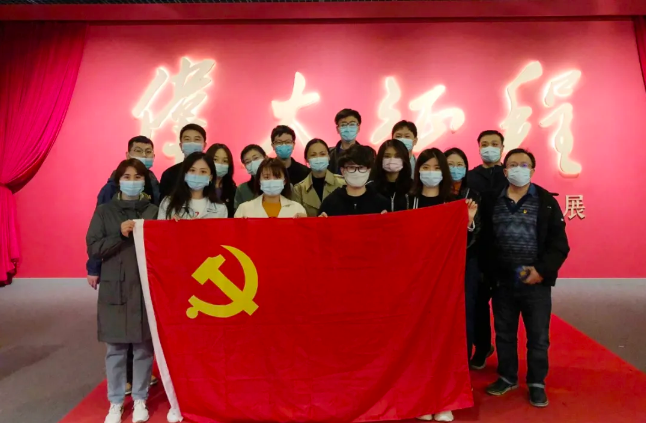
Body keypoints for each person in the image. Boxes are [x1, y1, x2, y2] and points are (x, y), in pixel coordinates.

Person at [480, 148, 569, 408]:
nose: (518, 169)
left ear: (533, 170)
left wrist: (541, 271)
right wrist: (491, 273)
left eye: (524, 165)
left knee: (538, 337)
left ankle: (537, 383)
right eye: (513, 164)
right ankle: (507, 377)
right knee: (504, 334)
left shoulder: (546, 201)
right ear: (505, 170)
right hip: (503, 282)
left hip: (536, 282)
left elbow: (559, 245)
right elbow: (484, 241)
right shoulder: (492, 200)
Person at [86, 158, 159, 423]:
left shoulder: (153, 211)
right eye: (126, 177)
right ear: (118, 181)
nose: (132, 181)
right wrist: (119, 233)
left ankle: (140, 399)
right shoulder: (104, 212)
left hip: (145, 288)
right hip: (114, 288)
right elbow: (94, 248)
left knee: (143, 348)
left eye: (137, 177)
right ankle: (115, 402)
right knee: (115, 349)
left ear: (144, 181)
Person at [411, 148, 478, 423]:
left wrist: (468, 222)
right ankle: (422, 399)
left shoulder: (455, 203)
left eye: (436, 168)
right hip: (415, 283)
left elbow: (467, 244)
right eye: (425, 168)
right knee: (418, 342)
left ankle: (445, 399)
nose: (431, 173)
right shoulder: (408, 201)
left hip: (446, 282)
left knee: (446, 339)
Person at [468, 130, 508, 370]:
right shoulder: (471, 177)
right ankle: (482, 347)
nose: (489, 148)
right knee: (478, 305)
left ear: (502, 148)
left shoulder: (510, 176)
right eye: (485, 144)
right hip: (478, 250)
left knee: (505, 308)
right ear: (479, 147)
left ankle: (507, 360)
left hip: (504, 251)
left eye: (494, 144)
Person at [445, 147, 481, 361]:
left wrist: (469, 222)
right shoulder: (436, 194)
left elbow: (478, 231)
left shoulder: (474, 195)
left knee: (465, 312)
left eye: (460, 165)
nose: (455, 169)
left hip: (466, 262)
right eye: (450, 164)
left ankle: (462, 362)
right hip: (440, 263)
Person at [319, 144, 389, 216]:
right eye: (351, 167)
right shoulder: (330, 203)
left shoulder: (381, 203)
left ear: (369, 170)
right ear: (342, 171)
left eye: (361, 167)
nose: (357, 172)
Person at [158, 152, 228, 220]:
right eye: (192, 170)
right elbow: (159, 227)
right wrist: (171, 225)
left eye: (203, 172)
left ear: (210, 177)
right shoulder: (168, 203)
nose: (197, 175)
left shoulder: (220, 208)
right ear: (185, 174)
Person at [234, 158, 307, 218]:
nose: (272, 181)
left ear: (284, 181)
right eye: (266, 177)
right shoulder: (244, 209)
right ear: (259, 181)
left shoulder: (297, 209)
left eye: (277, 177)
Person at [292, 139, 345, 217]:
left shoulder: (342, 183)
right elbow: (298, 218)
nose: (318, 158)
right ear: (306, 159)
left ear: (328, 157)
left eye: (322, 154)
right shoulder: (299, 189)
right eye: (313, 155)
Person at [159, 123, 207, 200]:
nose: (192, 143)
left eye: (197, 139)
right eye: (187, 139)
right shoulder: (170, 173)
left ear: (204, 145)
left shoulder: (211, 172)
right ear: (181, 146)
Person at [328, 108, 376, 174]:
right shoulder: (329, 154)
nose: (348, 128)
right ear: (337, 129)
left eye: (352, 124)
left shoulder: (368, 154)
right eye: (343, 125)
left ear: (358, 128)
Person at [369, 139, 412, 212]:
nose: (392, 160)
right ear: (380, 159)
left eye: (397, 156)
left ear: (404, 159)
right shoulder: (370, 188)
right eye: (387, 156)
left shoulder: (412, 188)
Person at [206, 143, 237, 217]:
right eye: (215, 159)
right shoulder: (199, 186)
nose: (220, 164)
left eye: (225, 161)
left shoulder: (233, 190)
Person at [234, 144, 267, 212]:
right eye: (248, 162)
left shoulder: (278, 183)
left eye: (256, 158)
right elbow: (238, 213)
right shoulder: (242, 189)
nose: (252, 163)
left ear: (265, 157)